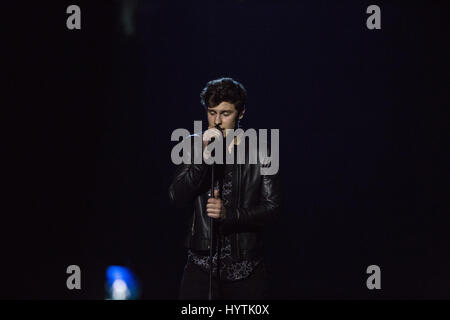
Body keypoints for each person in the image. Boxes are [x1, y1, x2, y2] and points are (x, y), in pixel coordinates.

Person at [169, 77, 282, 300]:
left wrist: (229, 215)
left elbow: (273, 208)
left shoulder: (261, 150)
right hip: (201, 267)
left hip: (245, 268)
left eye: (225, 113)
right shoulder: (192, 145)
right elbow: (176, 197)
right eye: (212, 112)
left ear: (240, 114)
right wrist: (202, 158)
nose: (217, 121)